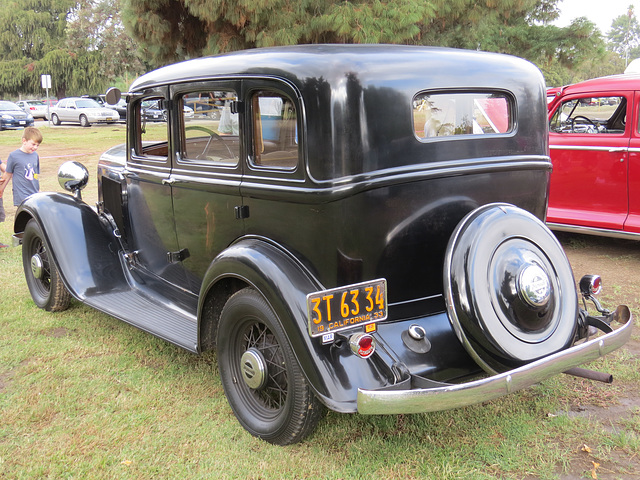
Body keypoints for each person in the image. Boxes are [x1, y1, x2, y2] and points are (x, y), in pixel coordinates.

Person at [0, 127, 43, 248]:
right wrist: (1, 190)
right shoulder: (14, 156)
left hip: (33, 192)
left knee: (36, 217)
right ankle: (24, 241)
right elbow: (7, 175)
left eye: (37, 145)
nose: (35, 147)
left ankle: (35, 240)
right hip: (21, 193)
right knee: (25, 217)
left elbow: (35, 175)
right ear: (24, 141)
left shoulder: (35, 156)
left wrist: (39, 191)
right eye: (33, 144)